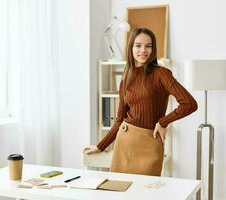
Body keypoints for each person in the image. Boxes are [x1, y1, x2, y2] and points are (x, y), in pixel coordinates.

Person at [83, 28, 197, 176]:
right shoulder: (127, 76)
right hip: (124, 142)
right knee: (119, 191)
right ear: (131, 48)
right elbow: (119, 120)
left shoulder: (161, 74)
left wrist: (163, 122)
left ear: (153, 49)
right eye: (138, 45)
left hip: (150, 143)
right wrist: (101, 146)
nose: (143, 50)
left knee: (147, 191)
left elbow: (189, 103)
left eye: (148, 46)